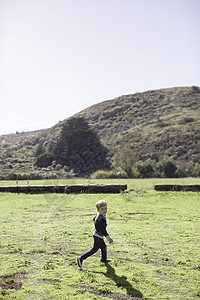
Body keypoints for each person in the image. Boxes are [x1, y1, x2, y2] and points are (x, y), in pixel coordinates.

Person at [77, 199, 113, 268]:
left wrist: (98, 224)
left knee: (104, 247)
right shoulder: (101, 218)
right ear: (98, 210)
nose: (104, 210)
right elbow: (103, 230)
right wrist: (108, 238)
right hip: (98, 236)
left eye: (105, 208)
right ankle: (81, 258)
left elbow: (94, 219)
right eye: (102, 209)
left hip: (97, 235)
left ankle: (103, 259)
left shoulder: (100, 215)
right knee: (94, 250)